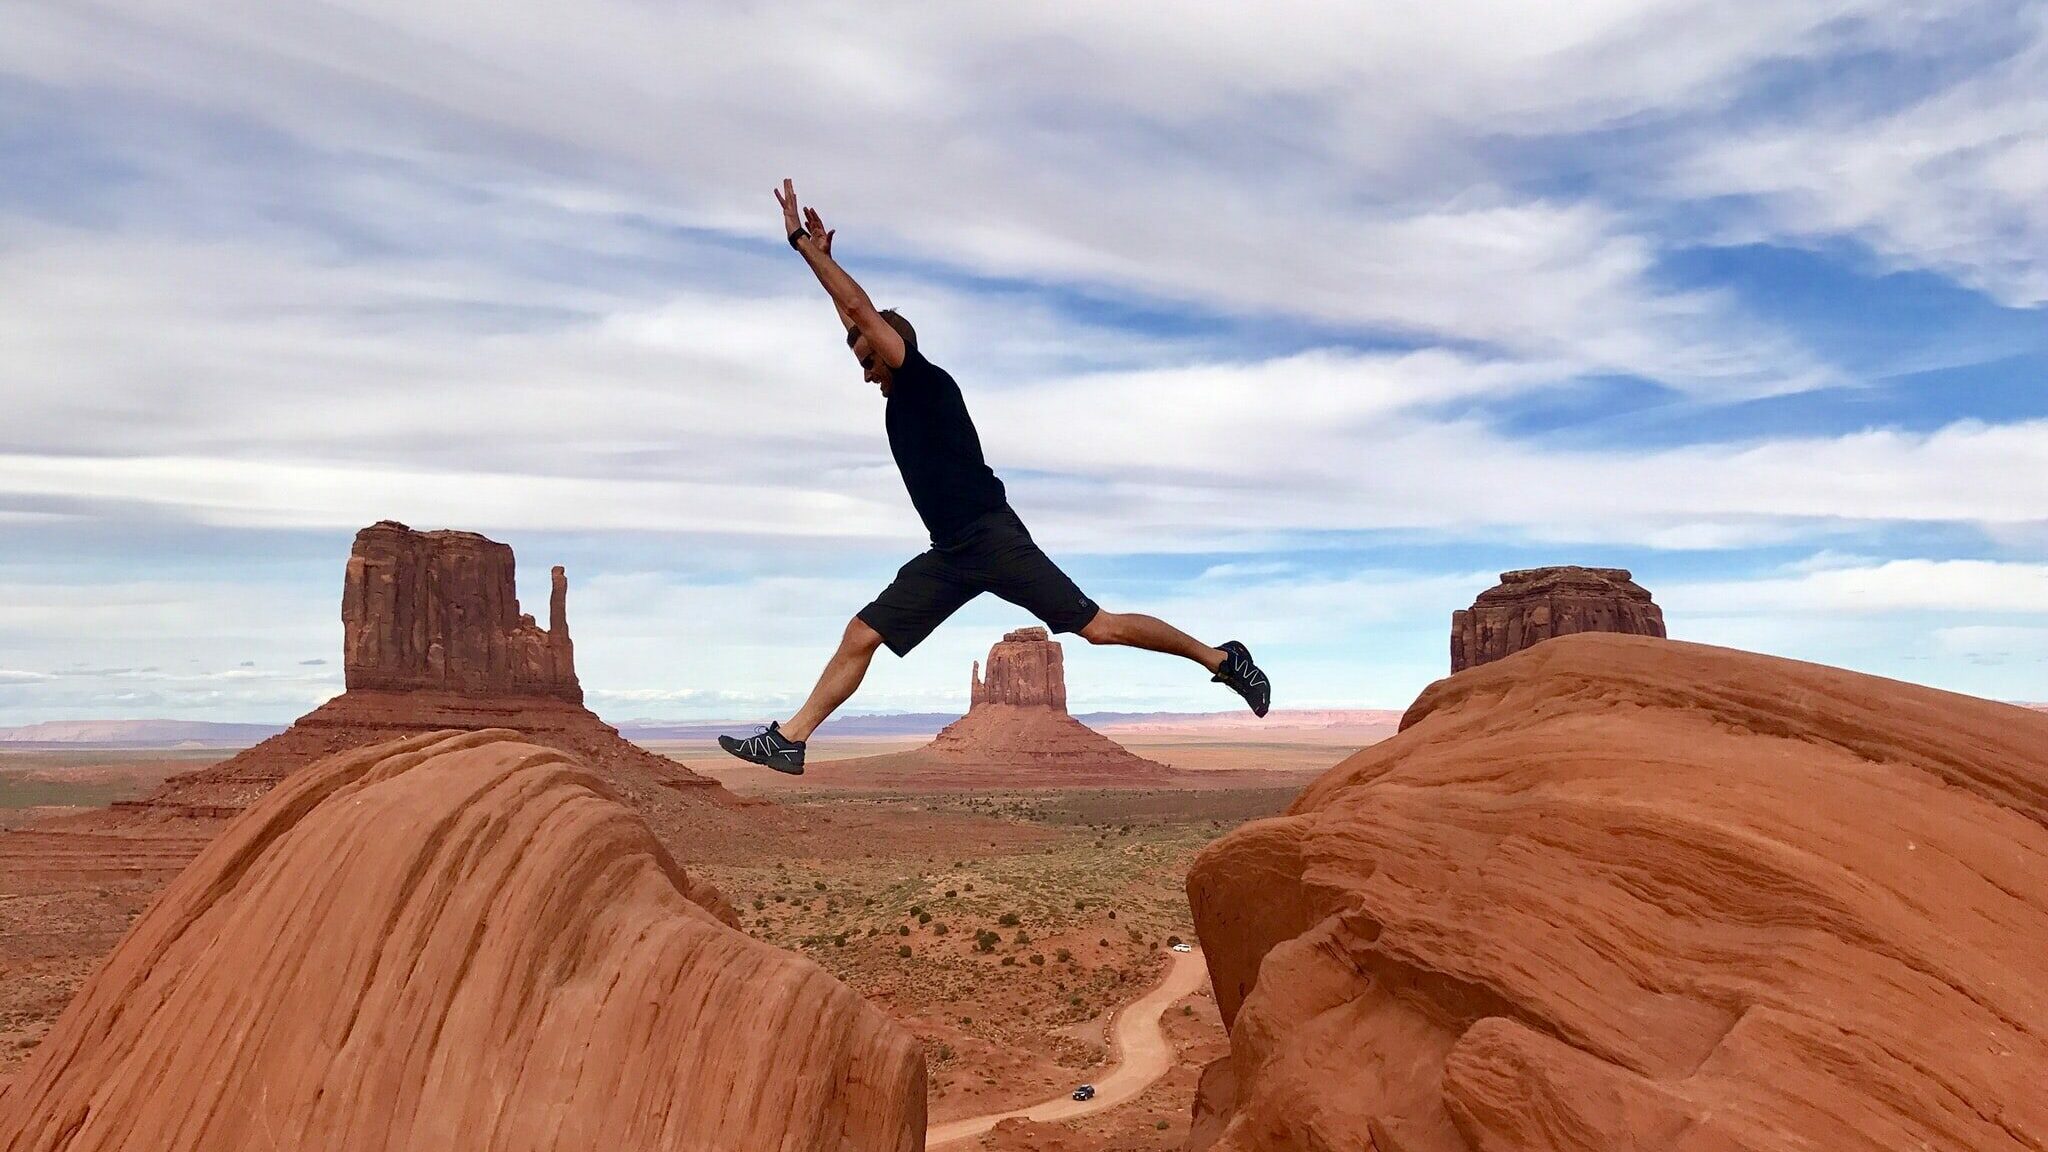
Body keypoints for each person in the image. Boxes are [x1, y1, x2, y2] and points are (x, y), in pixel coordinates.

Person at [719, 180, 1269, 774]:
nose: (865, 372)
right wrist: (825, 263)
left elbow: (861, 312)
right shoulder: (899, 388)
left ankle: (1222, 659)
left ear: (893, 344)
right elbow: (854, 317)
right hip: (952, 553)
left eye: (870, 358)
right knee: (862, 634)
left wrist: (805, 246)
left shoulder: (924, 381)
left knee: (1098, 628)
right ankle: (792, 739)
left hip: (993, 539)